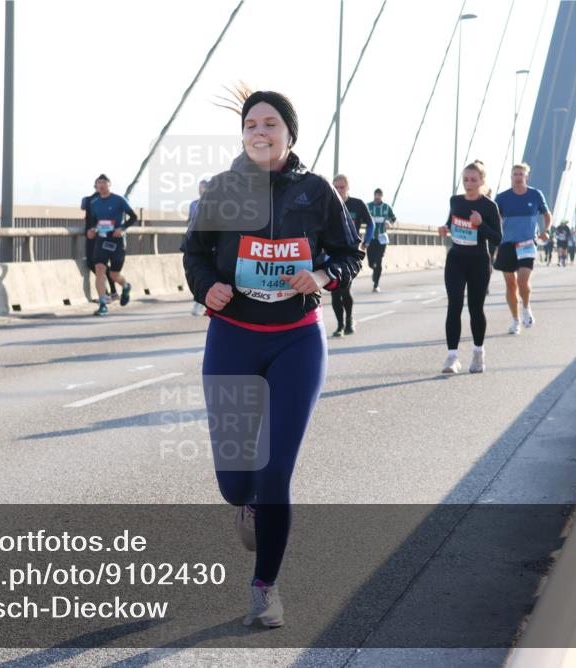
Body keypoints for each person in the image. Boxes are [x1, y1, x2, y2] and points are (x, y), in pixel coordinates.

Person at [183, 90, 363, 628]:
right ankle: (247, 502)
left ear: (289, 133)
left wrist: (325, 276)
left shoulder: (316, 192)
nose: (260, 131)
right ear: (243, 134)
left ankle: (265, 589)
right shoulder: (222, 190)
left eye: (271, 123)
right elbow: (194, 252)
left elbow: (350, 251)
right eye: (252, 123)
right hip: (234, 338)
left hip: (297, 340)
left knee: (275, 472)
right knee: (237, 482)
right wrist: (207, 286)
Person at [438, 160, 502, 373]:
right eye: (466, 179)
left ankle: (478, 353)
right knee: (454, 304)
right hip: (456, 258)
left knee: (476, 308)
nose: (469, 183)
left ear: (482, 181)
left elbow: (498, 238)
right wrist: (445, 228)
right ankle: (452, 357)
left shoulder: (489, 206)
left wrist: (480, 224)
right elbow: (452, 221)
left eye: (474, 179)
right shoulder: (455, 200)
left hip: (478, 261)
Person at [494, 164, 551, 334]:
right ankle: (515, 320)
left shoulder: (535, 194)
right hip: (507, 244)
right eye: (515, 174)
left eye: (521, 174)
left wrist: (545, 230)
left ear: (527, 177)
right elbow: (495, 218)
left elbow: (546, 214)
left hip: (527, 243)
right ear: (511, 177)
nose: (518, 177)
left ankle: (526, 307)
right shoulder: (502, 197)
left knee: (522, 281)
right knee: (510, 285)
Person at [85, 174, 138, 316]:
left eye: (104, 182)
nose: (101, 185)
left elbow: (133, 217)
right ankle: (103, 303)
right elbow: (94, 221)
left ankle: (125, 286)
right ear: (96, 186)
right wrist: (91, 230)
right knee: (100, 269)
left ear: (109, 185)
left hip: (116, 241)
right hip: (101, 239)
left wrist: (122, 228)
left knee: (114, 274)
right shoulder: (94, 203)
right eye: (98, 183)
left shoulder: (119, 200)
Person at [330, 174, 372, 336]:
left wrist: (366, 242)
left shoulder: (357, 204)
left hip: (351, 252)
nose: (339, 190)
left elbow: (371, 224)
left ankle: (349, 320)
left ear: (348, 188)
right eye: (336, 187)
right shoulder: (328, 204)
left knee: (345, 288)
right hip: (332, 250)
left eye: (342, 187)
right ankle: (340, 326)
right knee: (334, 291)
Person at [81, 190, 118, 300]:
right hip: (101, 237)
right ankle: (111, 293)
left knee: (95, 264)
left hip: (96, 238)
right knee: (100, 265)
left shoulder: (88, 200)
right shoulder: (93, 200)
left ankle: (106, 294)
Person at [366, 188, 397, 292]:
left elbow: (393, 218)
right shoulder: (368, 206)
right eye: (376, 195)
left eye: (380, 195)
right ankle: (374, 270)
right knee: (371, 261)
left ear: (382, 196)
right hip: (370, 237)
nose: (378, 197)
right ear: (374, 195)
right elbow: (362, 217)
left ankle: (376, 284)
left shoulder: (386, 207)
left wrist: (389, 222)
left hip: (382, 238)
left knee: (378, 260)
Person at [187, 179, 209, 316]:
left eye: (203, 188)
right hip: (196, 240)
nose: (201, 190)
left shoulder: (217, 204)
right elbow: (190, 221)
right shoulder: (193, 204)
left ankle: (204, 303)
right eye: (199, 188)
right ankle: (201, 300)